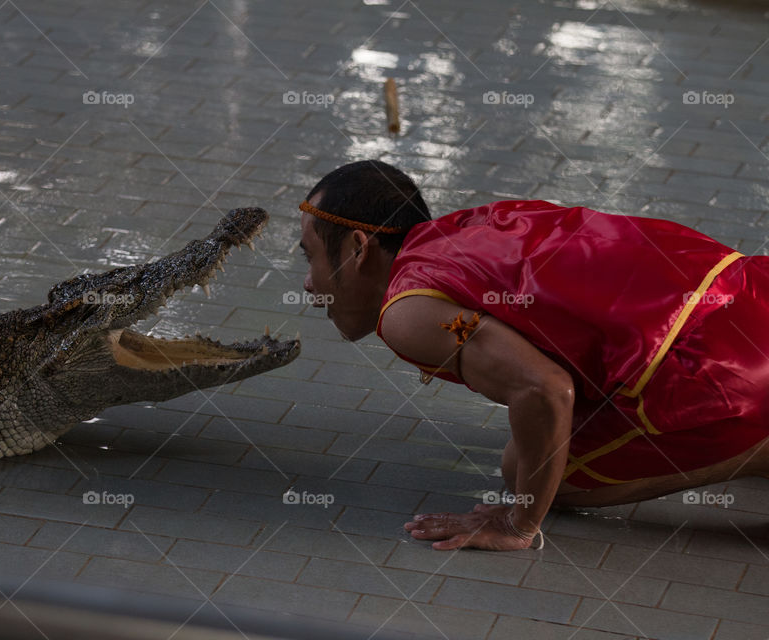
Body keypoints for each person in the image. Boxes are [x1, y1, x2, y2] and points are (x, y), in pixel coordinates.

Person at [297, 159, 769, 552]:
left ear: (358, 249)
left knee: (535, 474)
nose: (307, 284)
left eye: (310, 256)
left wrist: (519, 522)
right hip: (750, 293)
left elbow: (544, 388)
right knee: (538, 448)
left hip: (726, 368)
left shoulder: (406, 313)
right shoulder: (469, 228)